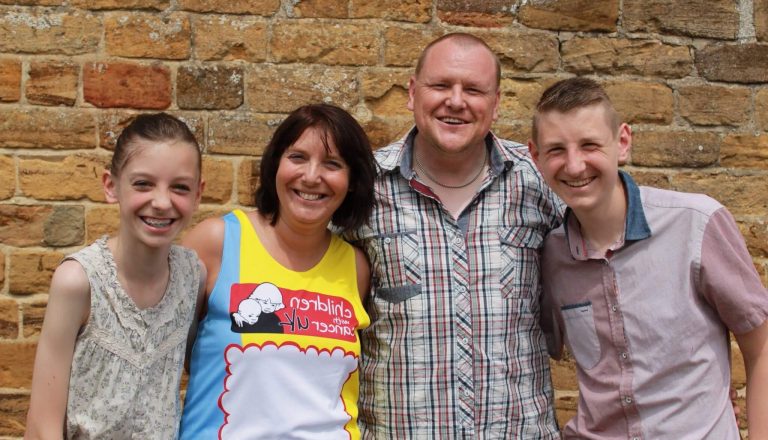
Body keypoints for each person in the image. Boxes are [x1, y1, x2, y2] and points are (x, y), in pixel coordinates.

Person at [344, 33, 563, 438]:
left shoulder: (539, 178)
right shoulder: (363, 187)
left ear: (496, 104)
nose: (456, 101)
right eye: (441, 85)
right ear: (412, 93)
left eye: (474, 89)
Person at [528, 77, 768, 439]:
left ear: (622, 142)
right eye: (557, 150)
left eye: (589, 145)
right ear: (536, 158)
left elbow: (762, 346)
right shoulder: (551, 256)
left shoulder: (696, 224)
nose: (575, 166)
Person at [179, 103, 377, 439]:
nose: (312, 176)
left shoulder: (355, 266)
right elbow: (171, 353)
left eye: (332, 164)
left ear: (352, 181)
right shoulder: (217, 242)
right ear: (276, 164)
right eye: (298, 157)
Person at [24, 113, 206, 439]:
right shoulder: (79, 281)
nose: (162, 202)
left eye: (180, 187)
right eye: (143, 184)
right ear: (111, 186)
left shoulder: (193, 277)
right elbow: (41, 426)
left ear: (198, 194)